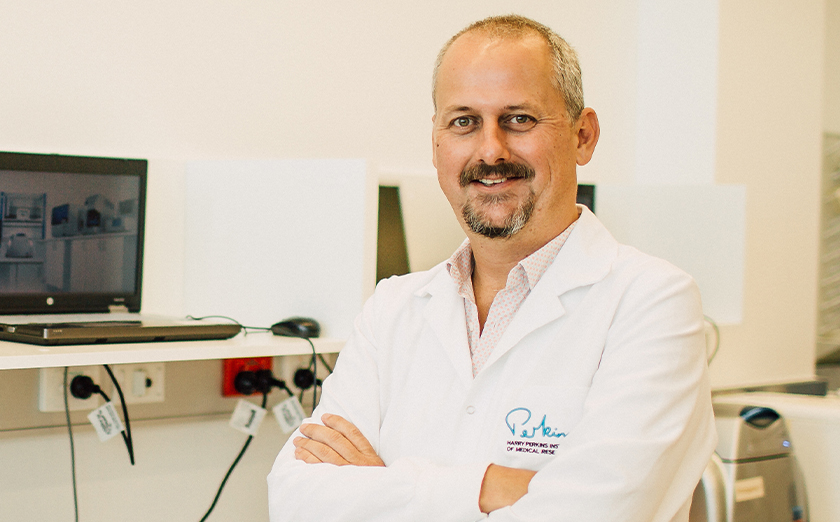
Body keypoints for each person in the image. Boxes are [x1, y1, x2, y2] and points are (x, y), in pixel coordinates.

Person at [268, 14, 716, 522]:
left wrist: (382, 485)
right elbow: (295, 499)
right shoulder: (392, 309)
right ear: (436, 143)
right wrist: (492, 488)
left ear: (583, 136)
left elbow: (599, 513)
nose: (490, 151)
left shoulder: (653, 303)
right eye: (463, 122)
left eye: (519, 119)